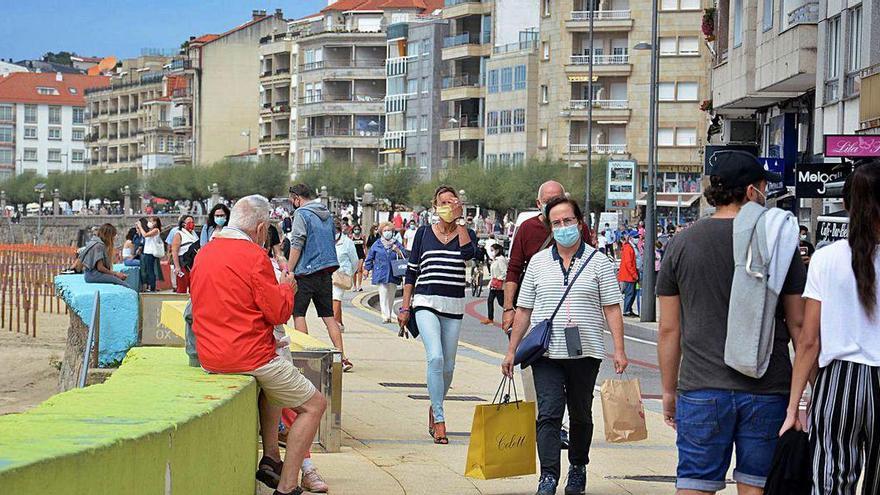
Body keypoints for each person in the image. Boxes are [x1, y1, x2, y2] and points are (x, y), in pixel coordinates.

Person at [656, 150, 806, 494]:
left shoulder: (682, 242)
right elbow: (799, 324)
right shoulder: (778, 243)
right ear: (753, 190)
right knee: (757, 485)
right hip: (768, 387)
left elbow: (669, 329)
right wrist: (809, 389)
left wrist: (668, 391)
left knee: (695, 484)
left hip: (701, 387)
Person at [190, 195, 326, 495]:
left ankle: (271, 458)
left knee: (273, 390)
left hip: (210, 355)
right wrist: (287, 289)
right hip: (248, 355)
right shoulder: (254, 257)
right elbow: (278, 312)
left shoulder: (205, 253)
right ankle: (288, 485)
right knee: (315, 405)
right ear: (262, 229)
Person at [502, 196, 628, 495]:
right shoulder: (538, 262)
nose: (563, 227)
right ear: (549, 226)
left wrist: (619, 349)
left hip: (586, 352)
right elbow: (524, 310)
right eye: (556, 223)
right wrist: (511, 350)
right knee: (548, 412)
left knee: (581, 413)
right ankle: (548, 476)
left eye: (567, 221)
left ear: (579, 223)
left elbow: (612, 307)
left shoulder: (599, 262)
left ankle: (578, 466)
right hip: (545, 352)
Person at [780, 163, 880, 494]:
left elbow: (809, 341)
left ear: (848, 205)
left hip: (838, 382)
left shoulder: (825, 258)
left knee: (831, 482)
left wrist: (794, 407)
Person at [398, 186, 476, 445]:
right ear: (434, 206)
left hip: (453, 305)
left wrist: (460, 221)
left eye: (452, 202)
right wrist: (405, 307)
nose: (448, 206)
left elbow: (468, 254)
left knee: (449, 366)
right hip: (425, 301)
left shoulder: (467, 233)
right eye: (443, 202)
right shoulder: (422, 234)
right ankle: (440, 420)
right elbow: (411, 271)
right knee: (436, 357)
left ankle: (435, 404)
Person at [286, 184, 351, 372]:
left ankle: (303, 360)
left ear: (297, 197)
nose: (292, 203)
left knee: (299, 313)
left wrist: (290, 269)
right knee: (329, 316)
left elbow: (297, 242)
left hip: (305, 272)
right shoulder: (327, 214)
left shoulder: (302, 214)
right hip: (326, 271)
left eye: (292, 199)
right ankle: (341, 357)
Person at [364, 222, 406, 323]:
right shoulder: (377, 244)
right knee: (383, 293)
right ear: (381, 232)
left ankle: (389, 312)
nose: (387, 233)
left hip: (393, 273)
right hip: (381, 272)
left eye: (389, 231)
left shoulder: (397, 244)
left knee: (391, 295)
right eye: (385, 231)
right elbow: (370, 257)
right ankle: (385, 316)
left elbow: (405, 255)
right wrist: (366, 269)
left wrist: (398, 251)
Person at [332, 220, 359, 330]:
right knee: (333, 299)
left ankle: (334, 325)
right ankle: (339, 322)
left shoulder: (347, 242)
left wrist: (350, 273)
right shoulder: (326, 241)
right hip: (328, 274)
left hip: (342, 274)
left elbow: (355, 261)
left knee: (336, 297)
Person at [170, 215, 199, 294]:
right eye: (189, 222)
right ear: (183, 224)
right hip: (183, 264)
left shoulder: (194, 235)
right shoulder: (179, 234)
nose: (192, 224)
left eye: (193, 222)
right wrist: (177, 267)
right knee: (182, 287)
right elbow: (174, 251)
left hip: (193, 263)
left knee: (193, 287)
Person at [481, 243, 507, 325]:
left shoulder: (501, 259)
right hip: (494, 284)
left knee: (501, 302)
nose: (491, 252)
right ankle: (490, 318)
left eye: (492, 250)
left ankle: (512, 313)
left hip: (499, 285)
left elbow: (505, 272)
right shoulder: (495, 259)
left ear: (497, 250)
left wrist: (498, 279)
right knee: (490, 300)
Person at [137, 216, 163, 292]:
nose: (150, 223)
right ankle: (150, 286)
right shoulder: (151, 230)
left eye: (152, 221)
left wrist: (140, 226)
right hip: (147, 252)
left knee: (150, 271)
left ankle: (152, 287)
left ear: (156, 222)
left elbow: (145, 235)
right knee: (148, 270)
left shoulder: (156, 230)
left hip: (151, 253)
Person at [618, 231, 639, 317]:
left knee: (631, 293)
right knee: (630, 294)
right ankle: (627, 310)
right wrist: (635, 275)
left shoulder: (629, 247)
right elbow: (628, 263)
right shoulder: (628, 248)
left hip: (629, 275)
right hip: (628, 276)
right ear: (630, 238)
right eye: (636, 237)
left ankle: (628, 309)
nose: (637, 238)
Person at [351, 225, 367, 292]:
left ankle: (359, 285)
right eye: (355, 229)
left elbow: (365, 246)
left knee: (359, 269)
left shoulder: (362, 237)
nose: (356, 230)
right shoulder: (351, 237)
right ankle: (354, 286)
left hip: (361, 255)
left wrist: (366, 253)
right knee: (354, 271)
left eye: (358, 229)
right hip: (354, 255)